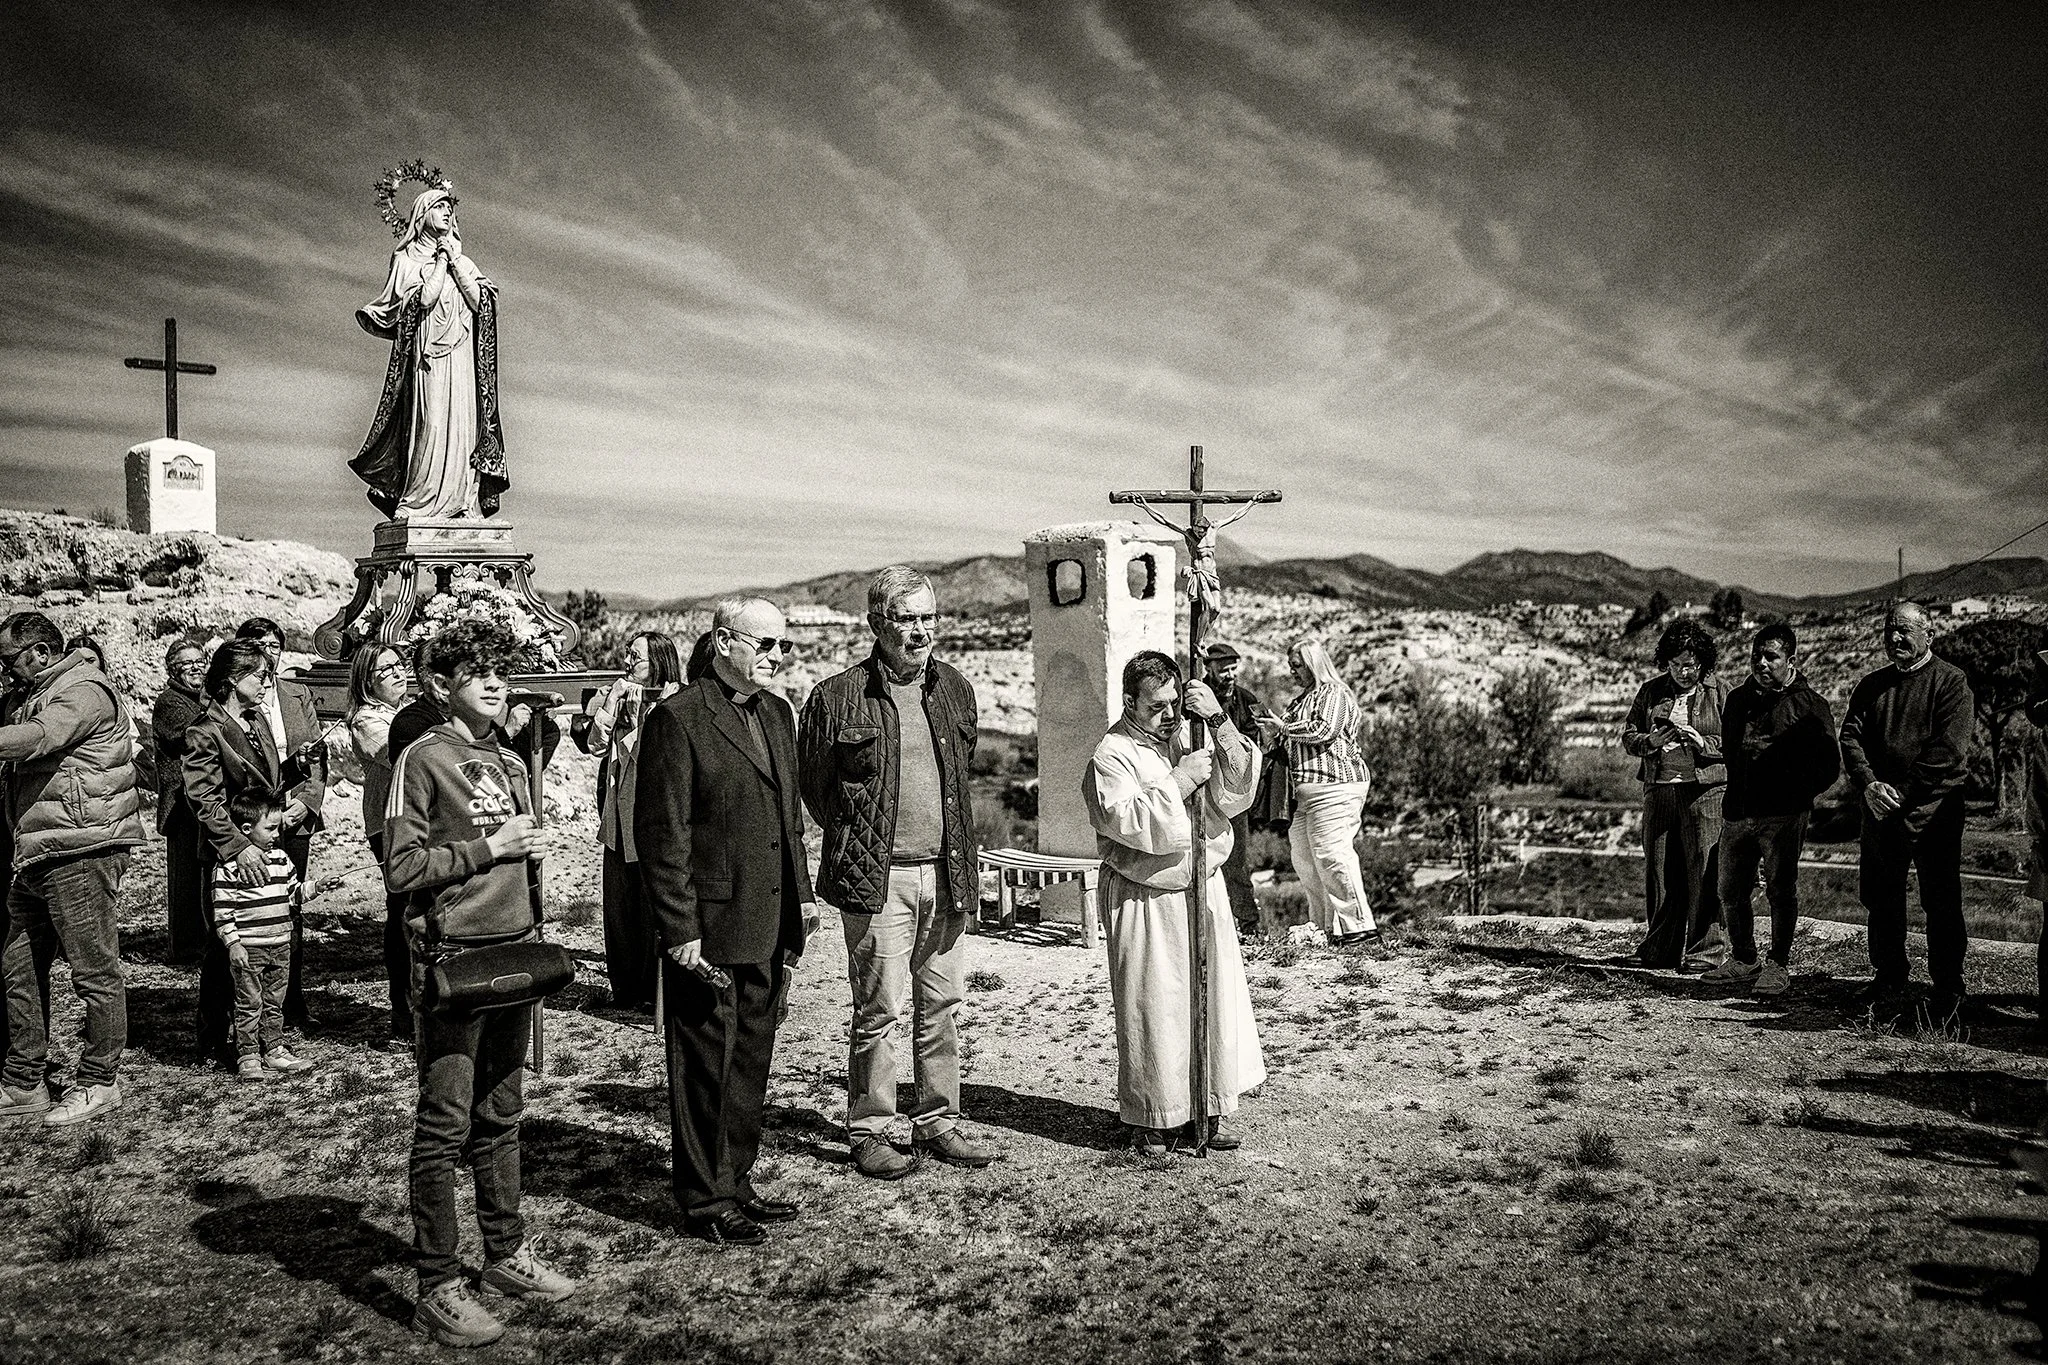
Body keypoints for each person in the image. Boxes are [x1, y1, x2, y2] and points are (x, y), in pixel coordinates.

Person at [385, 619, 576, 1347]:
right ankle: (437, 1285)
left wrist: (527, 858)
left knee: (502, 1111)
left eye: (501, 671)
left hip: (513, 950)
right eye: (477, 674)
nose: (496, 683)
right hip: (452, 959)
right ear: (441, 685)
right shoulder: (422, 757)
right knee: (445, 1123)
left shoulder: (508, 757)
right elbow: (401, 868)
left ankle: (504, 1254)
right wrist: (489, 848)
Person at [635, 597, 820, 1245]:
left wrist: (802, 897)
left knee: (749, 1059)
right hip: (708, 927)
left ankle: (736, 1180)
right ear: (722, 642)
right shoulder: (677, 718)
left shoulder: (777, 712)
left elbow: (788, 819)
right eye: (765, 644)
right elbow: (663, 835)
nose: (777, 656)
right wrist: (680, 929)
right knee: (705, 1066)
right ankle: (705, 1199)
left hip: (768, 918)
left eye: (784, 645)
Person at [798, 567, 992, 1181]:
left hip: (947, 874)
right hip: (875, 880)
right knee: (879, 1010)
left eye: (928, 618)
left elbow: (960, 776)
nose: (920, 631)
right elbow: (816, 789)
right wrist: (862, 838)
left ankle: (938, 1120)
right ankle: (872, 1129)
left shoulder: (955, 689)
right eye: (907, 619)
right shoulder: (836, 697)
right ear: (877, 624)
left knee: (942, 1004)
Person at [1086, 650, 1264, 1155]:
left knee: (1212, 1002)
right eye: (1156, 706)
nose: (1169, 716)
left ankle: (1207, 1107)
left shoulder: (1190, 735)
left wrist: (1218, 719)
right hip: (1146, 896)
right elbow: (1126, 821)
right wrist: (1181, 780)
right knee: (1154, 1010)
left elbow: (1237, 791)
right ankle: (1154, 1118)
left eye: (1174, 704)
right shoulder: (1111, 754)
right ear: (1129, 702)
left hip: (1202, 889)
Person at [0, 612, 146, 1126]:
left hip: (82, 849)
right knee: (17, 966)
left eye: (9, 661)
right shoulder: (30, 693)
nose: (5, 672)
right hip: (38, 851)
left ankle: (100, 1081)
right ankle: (24, 1082)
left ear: (41, 652)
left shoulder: (83, 690)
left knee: (93, 972)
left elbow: (38, 737)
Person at [183, 640, 319, 1065]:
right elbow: (204, 800)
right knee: (226, 947)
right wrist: (238, 847)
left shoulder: (256, 720)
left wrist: (297, 766)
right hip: (229, 853)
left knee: (266, 940)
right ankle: (213, 1039)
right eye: (260, 676)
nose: (266, 684)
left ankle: (263, 1040)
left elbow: (264, 786)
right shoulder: (205, 731)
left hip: (263, 844)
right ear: (231, 679)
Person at [1840, 601, 1976, 1018]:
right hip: (1880, 809)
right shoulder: (1871, 685)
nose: (1895, 638)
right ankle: (1888, 976)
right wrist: (1869, 784)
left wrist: (1899, 793)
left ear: (1928, 635)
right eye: (1889, 631)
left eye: (1904, 630)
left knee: (1941, 899)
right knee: (1881, 897)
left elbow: (1948, 751)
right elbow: (1850, 737)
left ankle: (1948, 986)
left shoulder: (1951, 682)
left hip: (1934, 810)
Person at [352, 183, 507, 520]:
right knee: (431, 424)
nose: (448, 212)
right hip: (428, 361)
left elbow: (481, 303)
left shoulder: (465, 262)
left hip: (462, 360)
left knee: (464, 430)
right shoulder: (406, 260)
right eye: (439, 207)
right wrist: (441, 261)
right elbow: (424, 298)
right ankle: (417, 500)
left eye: (450, 209)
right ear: (422, 215)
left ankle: (463, 503)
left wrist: (455, 260)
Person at [1701, 624, 1840, 996]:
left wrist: (1792, 792)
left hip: (1783, 816)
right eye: (1756, 656)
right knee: (1729, 889)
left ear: (1790, 660)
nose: (1761, 663)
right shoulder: (1737, 700)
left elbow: (1829, 767)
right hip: (1737, 811)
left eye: (1771, 657)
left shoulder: (1810, 705)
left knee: (1780, 889)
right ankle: (1744, 959)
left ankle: (1778, 964)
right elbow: (1730, 752)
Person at [1621, 619, 1731, 971]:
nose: (1683, 672)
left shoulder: (1722, 693)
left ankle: (1706, 951)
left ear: (1703, 662)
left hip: (1706, 792)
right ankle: (1659, 949)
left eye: (1691, 665)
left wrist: (1705, 743)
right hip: (1660, 791)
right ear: (1665, 662)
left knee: (1704, 870)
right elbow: (1629, 737)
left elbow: (1740, 741)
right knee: (1660, 873)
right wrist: (1650, 741)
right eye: (1676, 664)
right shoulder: (1651, 691)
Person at [235, 618, 326, 1028]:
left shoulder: (296, 693)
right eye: (258, 644)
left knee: (291, 906)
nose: (268, 652)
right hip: (253, 821)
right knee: (254, 907)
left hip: (295, 815)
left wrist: (307, 803)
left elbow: (317, 754)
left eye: (274, 645)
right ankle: (248, 1007)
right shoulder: (235, 698)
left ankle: (291, 1001)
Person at [1253, 637, 1374, 945]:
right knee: (1306, 862)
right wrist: (1272, 734)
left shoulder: (1334, 693)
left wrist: (1283, 728)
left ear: (1313, 664)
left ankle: (1359, 925)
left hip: (1335, 785)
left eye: (1297, 665)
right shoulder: (1298, 701)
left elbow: (1324, 730)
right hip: (1302, 793)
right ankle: (1324, 927)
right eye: (1291, 666)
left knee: (1333, 854)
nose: (1292, 672)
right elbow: (1287, 741)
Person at [585, 632, 682, 1012]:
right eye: (627, 654)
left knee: (649, 911)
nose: (627, 661)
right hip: (619, 822)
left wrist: (655, 712)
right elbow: (594, 744)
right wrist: (611, 703)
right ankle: (625, 989)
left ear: (657, 660)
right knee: (620, 910)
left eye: (636, 656)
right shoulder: (622, 698)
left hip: (653, 823)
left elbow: (652, 755)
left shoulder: (676, 702)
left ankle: (654, 991)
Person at [213, 790, 313, 1083]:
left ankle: (274, 1048)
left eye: (278, 828)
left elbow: (293, 894)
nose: (276, 835)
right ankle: (248, 1055)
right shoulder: (229, 866)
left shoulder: (281, 859)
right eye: (270, 828)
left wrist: (317, 887)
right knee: (248, 1003)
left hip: (280, 945)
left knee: (274, 1002)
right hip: (250, 948)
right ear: (246, 829)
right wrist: (233, 944)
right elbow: (222, 911)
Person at [348, 642, 414, 1043]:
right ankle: (404, 1013)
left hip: (420, 818)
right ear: (367, 682)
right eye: (385, 670)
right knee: (403, 910)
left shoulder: (408, 710)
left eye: (399, 664)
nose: (397, 673)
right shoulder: (366, 720)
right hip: (389, 823)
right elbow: (405, 755)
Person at [152, 635, 214, 965]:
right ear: (172, 670)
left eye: (199, 662)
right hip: (181, 803)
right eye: (185, 664)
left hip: (200, 796)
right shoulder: (169, 702)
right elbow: (194, 735)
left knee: (203, 874)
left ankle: (205, 940)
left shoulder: (205, 698)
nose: (194, 669)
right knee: (185, 879)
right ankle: (185, 948)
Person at [1202, 642, 1264, 939]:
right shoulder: (1195, 696)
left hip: (1233, 794)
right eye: (1223, 669)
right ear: (1208, 668)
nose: (1229, 675)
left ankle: (1248, 924)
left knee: (1237, 860)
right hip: (1201, 788)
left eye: (1232, 669)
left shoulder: (1245, 699)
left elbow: (1253, 743)